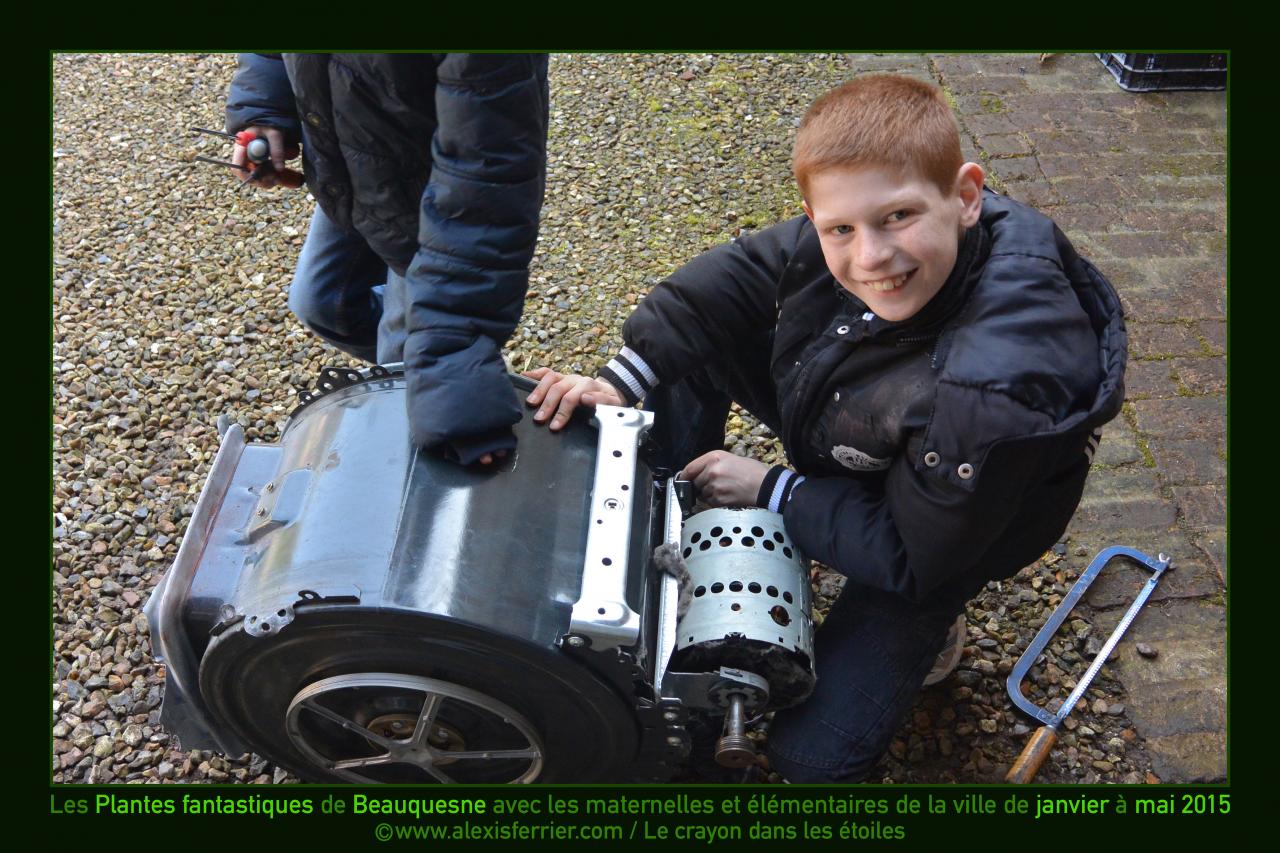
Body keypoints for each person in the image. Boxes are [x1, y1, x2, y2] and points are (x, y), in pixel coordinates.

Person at [523, 74, 1126, 782]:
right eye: (841, 229)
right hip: (874, 422)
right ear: (815, 218)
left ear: (966, 196)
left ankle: (931, 627)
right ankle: (665, 512)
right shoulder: (867, 241)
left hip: (944, 530)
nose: (871, 256)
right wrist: (622, 381)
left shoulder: (993, 389)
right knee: (695, 343)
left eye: (897, 217)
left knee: (810, 760)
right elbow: (736, 277)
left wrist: (773, 489)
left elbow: (910, 554)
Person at [224, 53, 550, 465]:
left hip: (436, 201)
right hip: (350, 167)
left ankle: (436, 373)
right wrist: (265, 108)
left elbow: (484, 190)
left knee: (409, 359)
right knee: (322, 305)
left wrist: (447, 362)